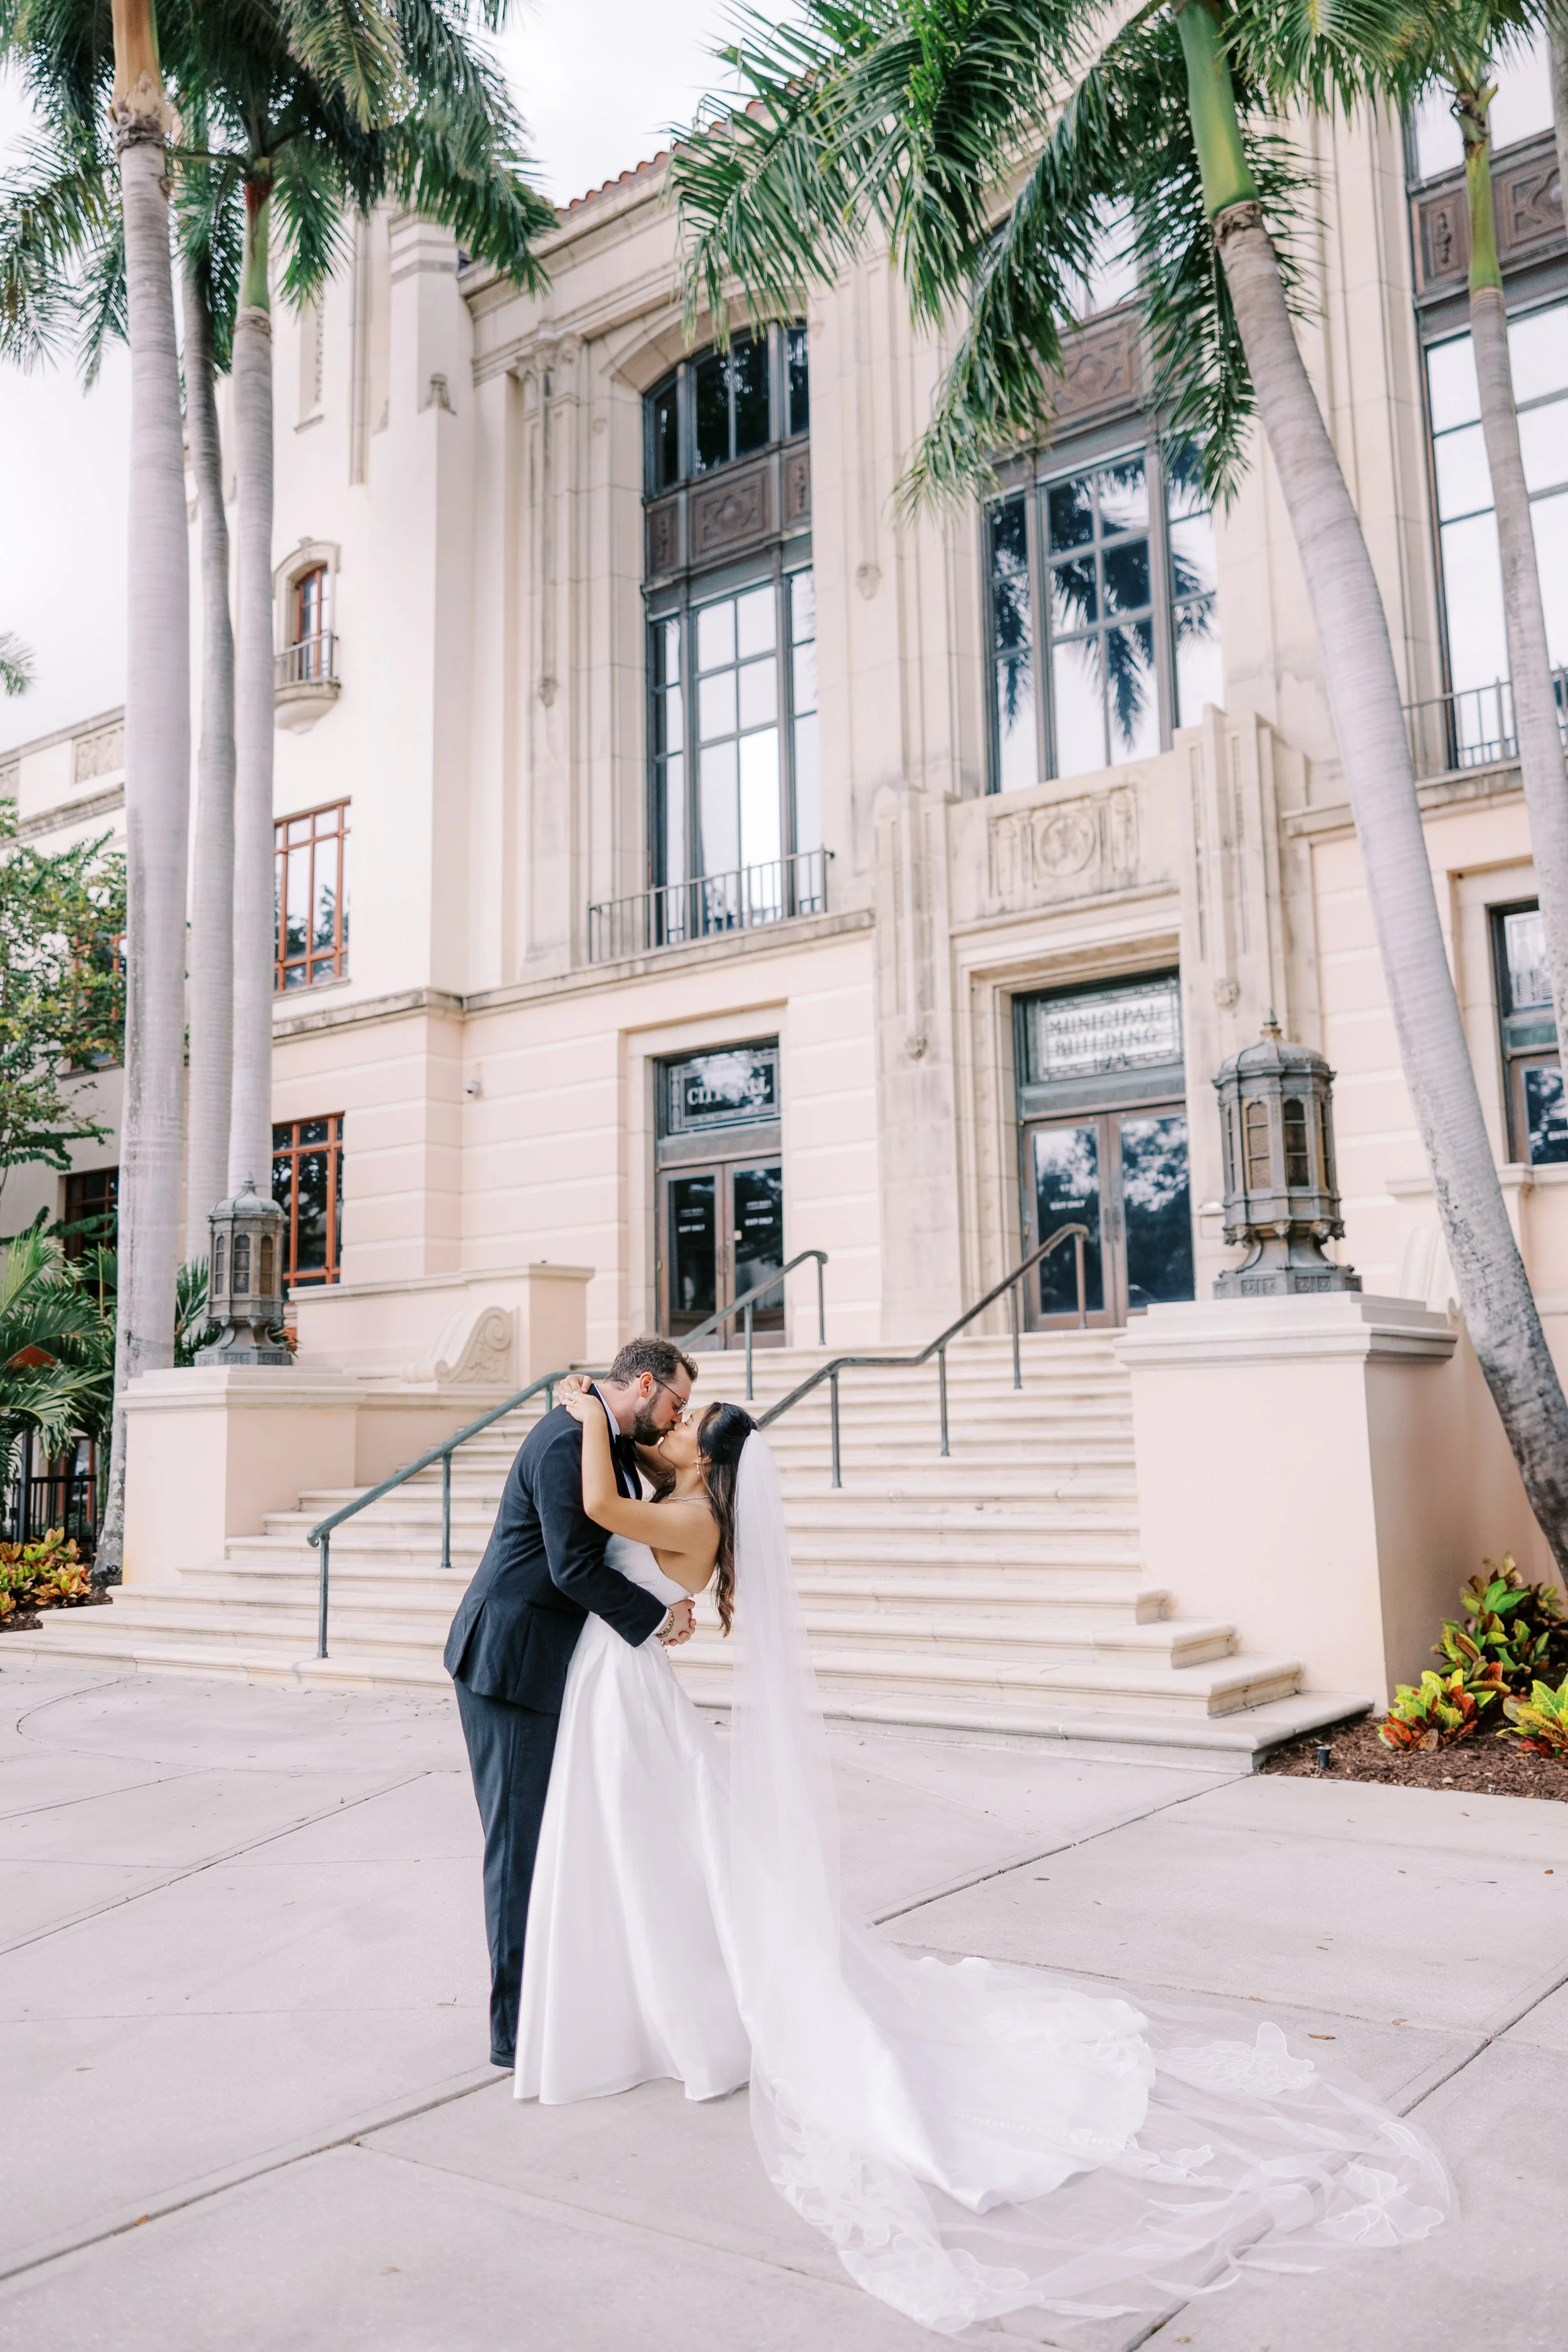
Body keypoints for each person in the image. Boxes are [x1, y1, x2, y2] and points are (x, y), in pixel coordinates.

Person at [516, 1382, 1454, 2341]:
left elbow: (593, 1512)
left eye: (682, 1422)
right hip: (623, 1677)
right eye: (666, 1415)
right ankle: (672, 1998)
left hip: (626, 1684)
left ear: (710, 1461)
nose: (667, 1426)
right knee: (678, 1852)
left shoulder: (682, 1509)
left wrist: (591, 1414)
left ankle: (687, 2007)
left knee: (678, 1849)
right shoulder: (688, 1498)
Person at [443, 1335, 698, 2070]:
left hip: (551, 1665)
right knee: (519, 1847)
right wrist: (657, 1618)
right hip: (510, 1662)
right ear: (645, 1384)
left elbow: (651, 1482)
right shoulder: (566, 1440)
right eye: (673, 1402)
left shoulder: (601, 1432)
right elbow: (572, 1565)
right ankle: (515, 2031)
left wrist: (591, 1403)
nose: (673, 1418)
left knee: (556, 1840)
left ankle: (556, 2000)